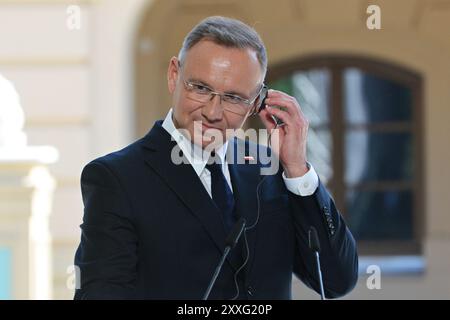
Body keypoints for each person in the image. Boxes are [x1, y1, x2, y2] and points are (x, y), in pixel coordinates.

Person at [74, 16, 358, 300]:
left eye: (233, 98)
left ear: (256, 102)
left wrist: (297, 169)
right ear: (174, 75)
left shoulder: (271, 168)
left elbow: (336, 280)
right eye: (200, 88)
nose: (212, 112)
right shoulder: (116, 178)